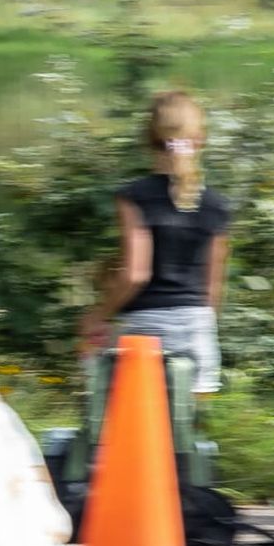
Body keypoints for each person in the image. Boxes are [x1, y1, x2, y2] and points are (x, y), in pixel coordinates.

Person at [85, 91, 231, 394]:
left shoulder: (135, 197)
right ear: (200, 139)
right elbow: (213, 288)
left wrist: (98, 315)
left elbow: (135, 274)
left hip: (145, 331)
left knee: (127, 424)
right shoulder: (217, 205)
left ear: (149, 140)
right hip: (198, 328)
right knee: (187, 432)